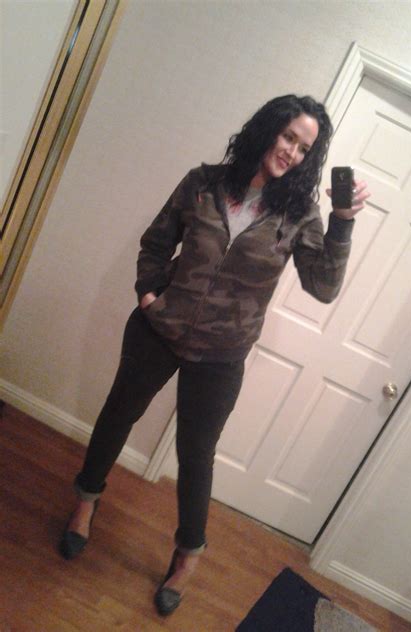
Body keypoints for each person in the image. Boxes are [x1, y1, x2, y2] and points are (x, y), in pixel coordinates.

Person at [59, 94, 370, 616]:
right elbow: (156, 242)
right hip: (158, 331)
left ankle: (188, 555)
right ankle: (84, 505)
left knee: (195, 454)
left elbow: (323, 285)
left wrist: (341, 221)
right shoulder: (203, 183)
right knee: (117, 416)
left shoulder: (299, 214)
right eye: (288, 137)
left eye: (304, 148)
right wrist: (150, 294)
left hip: (222, 354)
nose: (292, 152)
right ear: (268, 130)